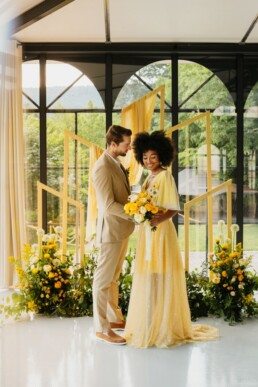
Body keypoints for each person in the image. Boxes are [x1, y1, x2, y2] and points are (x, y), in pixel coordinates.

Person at [125, 130, 218, 348]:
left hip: (161, 233)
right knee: (150, 275)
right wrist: (141, 213)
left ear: (162, 157)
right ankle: (151, 320)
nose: (149, 161)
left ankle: (163, 324)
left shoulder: (165, 176)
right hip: (148, 232)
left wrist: (158, 219)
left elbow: (174, 208)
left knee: (160, 274)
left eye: (153, 157)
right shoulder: (149, 177)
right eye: (145, 157)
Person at [92, 124, 135, 345]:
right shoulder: (102, 167)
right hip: (110, 231)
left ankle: (114, 319)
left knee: (113, 279)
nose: (129, 147)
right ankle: (101, 328)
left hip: (121, 230)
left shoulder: (116, 163)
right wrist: (135, 214)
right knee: (102, 281)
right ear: (113, 144)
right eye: (127, 144)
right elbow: (108, 205)